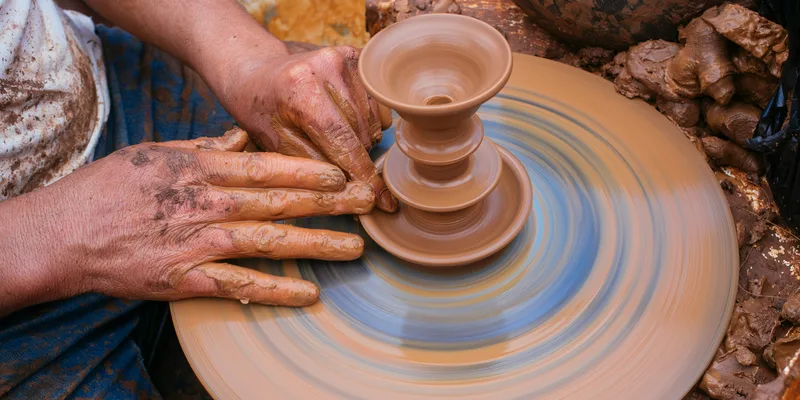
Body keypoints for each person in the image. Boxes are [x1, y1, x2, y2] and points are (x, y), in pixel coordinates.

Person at [0, 0, 396, 397]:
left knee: (334, 107)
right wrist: (65, 231)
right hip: (18, 285)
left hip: (101, 85)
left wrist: (248, 62)